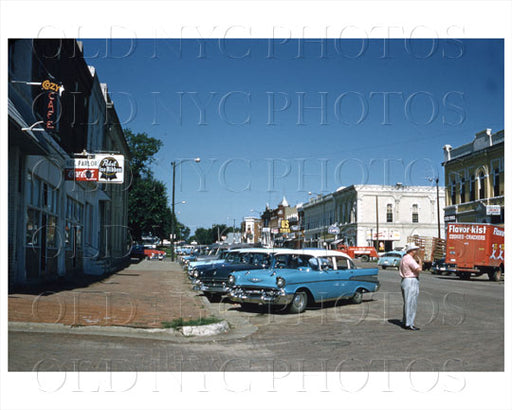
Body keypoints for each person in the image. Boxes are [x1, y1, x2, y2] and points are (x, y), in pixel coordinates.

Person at [399, 243, 422, 331]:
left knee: (407, 302)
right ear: (412, 251)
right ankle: (409, 323)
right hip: (411, 280)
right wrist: (420, 262)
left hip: (405, 280)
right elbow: (419, 269)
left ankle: (406, 321)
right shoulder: (410, 259)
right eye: (415, 249)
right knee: (411, 302)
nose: (416, 251)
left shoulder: (404, 258)